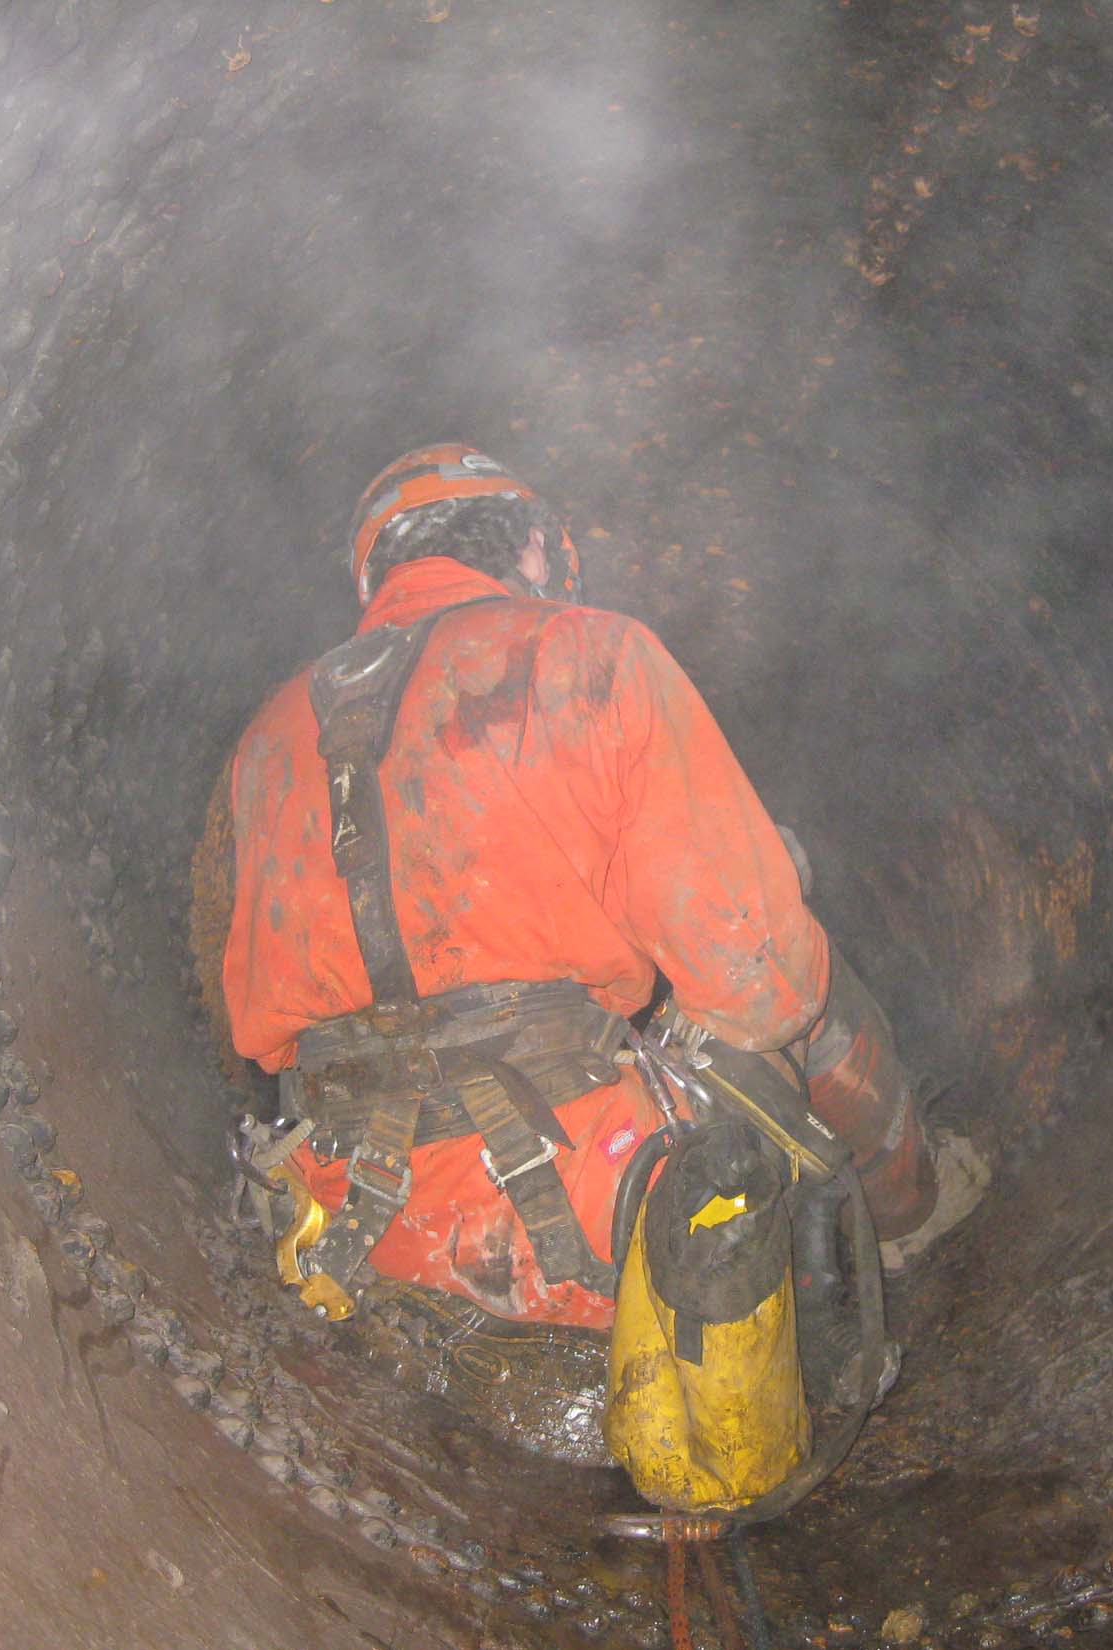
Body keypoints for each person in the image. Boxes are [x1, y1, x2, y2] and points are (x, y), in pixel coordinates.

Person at [216, 444, 986, 1329]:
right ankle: (910, 1212)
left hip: (341, 1223)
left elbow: (275, 1037)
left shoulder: (267, 741)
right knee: (795, 967)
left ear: (375, 580)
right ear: (537, 552)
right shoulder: (586, 652)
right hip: (584, 1213)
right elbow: (762, 987)